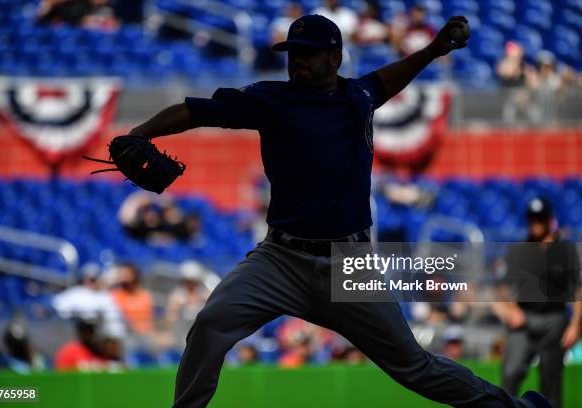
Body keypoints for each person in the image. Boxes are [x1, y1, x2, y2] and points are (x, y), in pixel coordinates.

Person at [126, 14, 548, 408]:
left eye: (308, 54)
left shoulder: (358, 96)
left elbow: (389, 79)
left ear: (335, 57)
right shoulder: (271, 100)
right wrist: (141, 132)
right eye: (293, 54)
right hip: (281, 259)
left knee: (414, 366)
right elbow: (196, 110)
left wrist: (434, 49)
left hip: (350, 263)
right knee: (211, 324)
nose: (298, 63)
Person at [493, 198, 581, 408]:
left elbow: (577, 291)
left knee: (551, 380)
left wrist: (575, 325)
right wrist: (510, 310)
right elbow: (501, 288)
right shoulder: (520, 250)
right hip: (525, 317)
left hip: (554, 319)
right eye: (532, 219)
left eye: (540, 219)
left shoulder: (565, 251)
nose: (535, 224)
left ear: (549, 220)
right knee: (511, 372)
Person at [110, 263, 154, 336]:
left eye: (126, 273)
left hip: (142, 335)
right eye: (121, 273)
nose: (123, 276)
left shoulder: (145, 296)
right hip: (123, 334)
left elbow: (148, 320)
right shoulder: (114, 295)